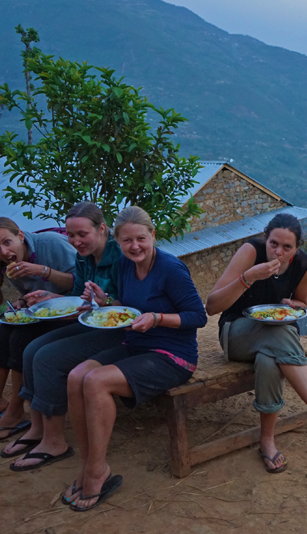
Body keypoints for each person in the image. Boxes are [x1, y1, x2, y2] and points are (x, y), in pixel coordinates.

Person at [66, 206, 207, 511]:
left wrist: (156, 318)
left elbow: (198, 316)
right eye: (127, 240)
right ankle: (87, 462)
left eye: (141, 238)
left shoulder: (171, 268)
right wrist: (103, 303)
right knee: (77, 376)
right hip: (136, 346)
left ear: (152, 235)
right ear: (117, 240)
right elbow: (123, 305)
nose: (135, 246)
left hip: (173, 356)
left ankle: (96, 471)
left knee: (95, 381)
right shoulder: (124, 265)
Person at [205, 213, 307, 474]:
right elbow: (212, 306)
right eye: (273, 243)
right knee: (281, 336)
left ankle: (267, 441)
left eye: (287, 247)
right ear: (265, 238)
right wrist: (248, 277)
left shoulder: (302, 265)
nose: (279, 252)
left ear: (297, 248)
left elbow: (302, 304)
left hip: (273, 339)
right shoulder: (249, 253)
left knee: (269, 361)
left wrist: (292, 305)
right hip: (235, 335)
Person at [2, 202, 124, 473]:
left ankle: (54, 441)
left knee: (48, 358)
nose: (76, 241)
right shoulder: (84, 257)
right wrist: (52, 297)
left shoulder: (119, 255)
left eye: (82, 234)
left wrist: (103, 303)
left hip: (117, 331)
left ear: (102, 228)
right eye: (71, 235)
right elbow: (81, 293)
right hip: (91, 322)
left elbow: (127, 301)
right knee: (32, 349)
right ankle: (38, 428)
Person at [0, 218, 76, 443]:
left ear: (20, 235)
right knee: (1, 334)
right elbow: (31, 293)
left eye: (7, 242)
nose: (4, 251)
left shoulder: (52, 244)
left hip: (74, 313)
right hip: (45, 314)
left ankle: (15, 409)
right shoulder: (10, 266)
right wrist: (21, 301)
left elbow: (80, 283)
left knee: (21, 338)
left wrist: (43, 270)